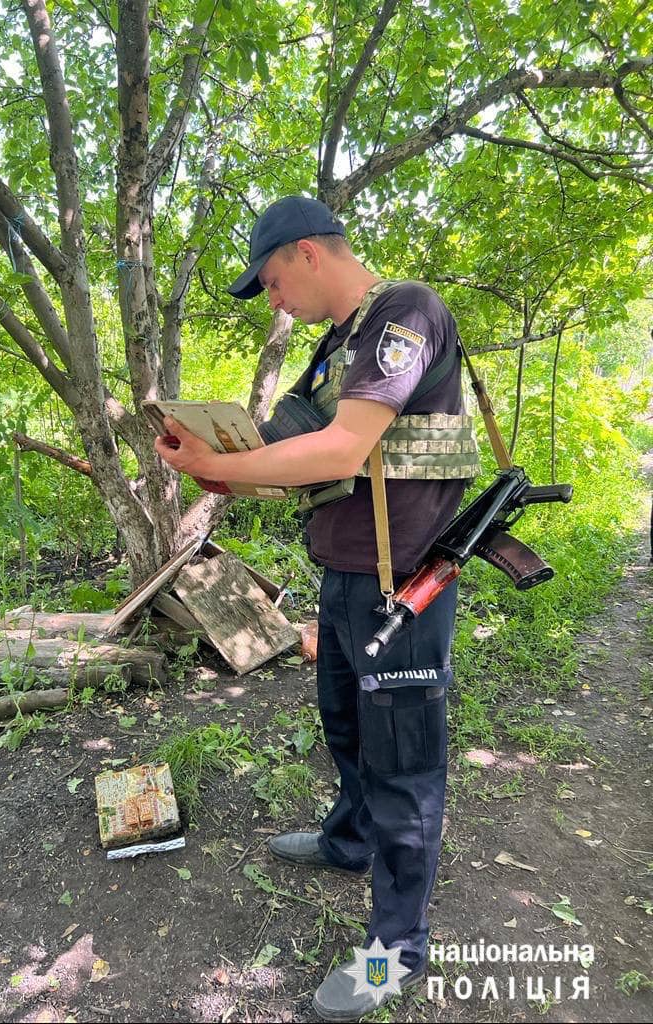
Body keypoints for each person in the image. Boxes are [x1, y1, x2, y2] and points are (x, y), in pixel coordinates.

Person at [155, 196, 479, 1021]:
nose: (274, 302)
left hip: (402, 583)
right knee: (344, 725)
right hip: (344, 575)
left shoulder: (405, 314)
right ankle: (348, 841)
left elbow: (342, 447)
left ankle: (397, 954)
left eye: (269, 282)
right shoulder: (336, 347)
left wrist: (235, 466)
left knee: (404, 768)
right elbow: (287, 453)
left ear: (306, 253)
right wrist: (216, 467)